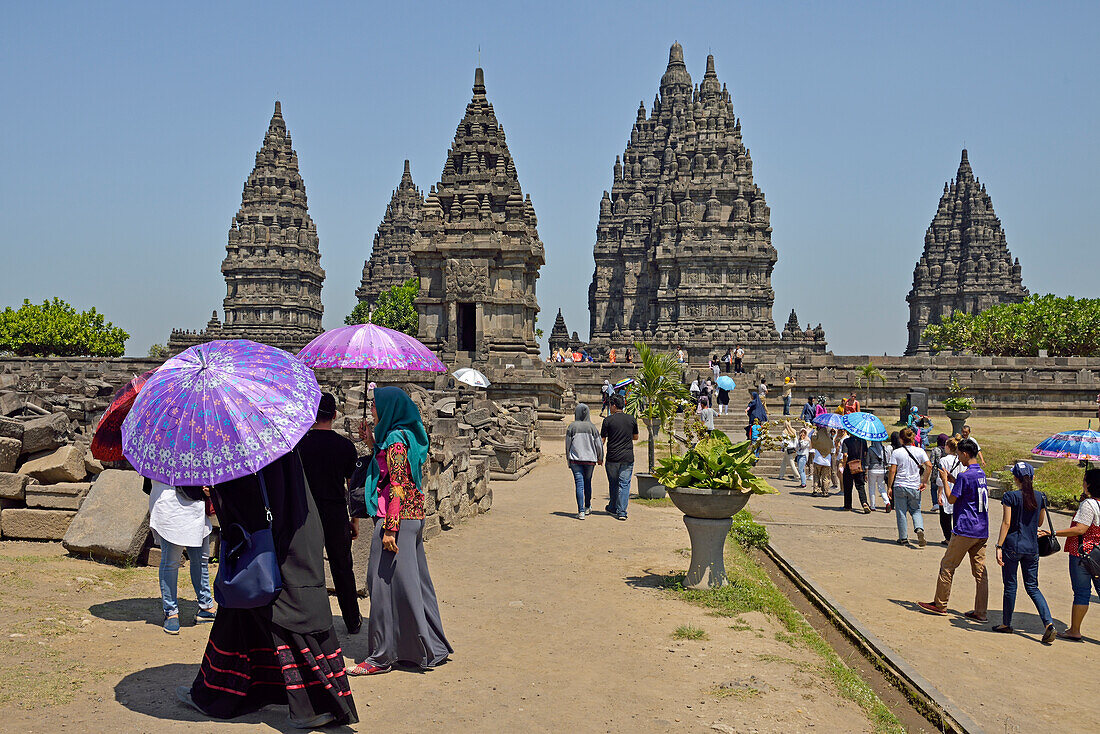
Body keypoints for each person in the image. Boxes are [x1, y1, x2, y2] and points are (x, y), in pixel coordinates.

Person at [181, 451, 358, 728]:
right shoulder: (270, 438)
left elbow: (238, 494)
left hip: (267, 544)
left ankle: (311, 704)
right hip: (284, 537)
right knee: (242, 613)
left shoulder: (238, 446)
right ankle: (219, 691)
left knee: (287, 614)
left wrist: (209, 487)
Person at [348, 387, 452, 675]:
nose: (371, 409)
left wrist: (390, 529)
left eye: (374, 405)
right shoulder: (406, 435)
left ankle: (381, 657)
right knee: (412, 583)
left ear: (389, 408)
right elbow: (395, 471)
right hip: (413, 518)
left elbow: (397, 485)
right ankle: (425, 647)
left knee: (380, 585)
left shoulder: (394, 440)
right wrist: (371, 441)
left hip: (395, 518)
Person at [297, 392, 362, 634]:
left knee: (305, 567)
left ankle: (307, 620)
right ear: (334, 415)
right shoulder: (345, 446)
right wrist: (354, 520)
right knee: (343, 566)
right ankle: (352, 619)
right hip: (335, 512)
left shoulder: (299, 445)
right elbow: (353, 488)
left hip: (306, 513)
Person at [917, 438, 989, 621]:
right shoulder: (980, 473)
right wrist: (954, 479)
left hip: (965, 528)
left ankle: (940, 604)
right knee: (980, 573)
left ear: (965, 454)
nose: (959, 458)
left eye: (959, 455)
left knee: (947, 565)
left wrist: (945, 482)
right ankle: (981, 611)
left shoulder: (966, 475)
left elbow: (951, 499)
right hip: (981, 528)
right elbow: (969, 491)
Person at [992, 462, 1055, 642]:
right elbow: (1040, 523)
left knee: (1011, 586)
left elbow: (1006, 523)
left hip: (1012, 546)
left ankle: (1006, 623)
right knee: (1033, 587)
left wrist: (998, 546)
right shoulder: (1040, 497)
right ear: (1033, 477)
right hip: (1032, 548)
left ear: (1015, 479)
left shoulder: (1010, 496)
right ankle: (1048, 623)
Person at [148, 479, 214, 635]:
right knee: (171, 562)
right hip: (171, 506)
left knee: (201, 560)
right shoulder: (158, 455)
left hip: (196, 505)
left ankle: (206, 606)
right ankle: (171, 612)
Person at [1042, 468, 1100, 641]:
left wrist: (1052, 532)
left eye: (1084, 479)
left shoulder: (1089, 505)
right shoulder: (1094, 503)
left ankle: (1075, 630)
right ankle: (1074, 630)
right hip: (1098, 552)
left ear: (1089, 483)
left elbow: (1080, 529)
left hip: (1082, 554)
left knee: (1081, 592)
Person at [887, 427, 931, 547]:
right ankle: (919, 528)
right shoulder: (920, 451)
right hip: (915, 485)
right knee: (916, 510)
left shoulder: (896, 452)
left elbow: (892, 471)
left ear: (901, 439)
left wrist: (889, 487)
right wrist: (924, 481)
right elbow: (929, 466)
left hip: (900, 485)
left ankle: (903, 538)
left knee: (901, 512)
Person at [600, 394, 638, 521]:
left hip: (612, 457)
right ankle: (622, 512)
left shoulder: (608, 421)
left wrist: (598, 455)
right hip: (627, 457)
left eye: (610, 405)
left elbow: (602, 440)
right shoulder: (631, 419)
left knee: (613, 483)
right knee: (625, 484)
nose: (609, 407)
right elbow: (636, 437)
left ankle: (613, 506)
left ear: (614, 405)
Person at [565, 403, 603, 520]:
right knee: (588, 482)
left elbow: (567, 445)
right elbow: (599, 445)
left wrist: (568, 459)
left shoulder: (572, 427)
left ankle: (580, 511)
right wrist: (600, 458)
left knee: (579, 484)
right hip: (590, 460)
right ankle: (587, 506)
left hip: (575, 460)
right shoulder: (592, 427)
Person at [936, 437, 963, 545]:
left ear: (948, 447)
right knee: (956, 515)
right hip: (957, 488)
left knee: (944, 517)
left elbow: (941, 479)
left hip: (947, 487)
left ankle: (948, 538)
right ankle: (956, 536)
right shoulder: (960, 460)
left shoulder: (944, 460)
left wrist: (939, 493)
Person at [841, 432, 871, 513]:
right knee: (860, 486)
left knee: (848, 486)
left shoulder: (846, 441)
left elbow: (845, 454)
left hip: (849, 465)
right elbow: (865, 454)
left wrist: (844, 464)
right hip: (859, 465)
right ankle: (864, 503)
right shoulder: (863, 441)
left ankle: (848, 505)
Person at [865, 439, 889, 511]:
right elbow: (886, 461)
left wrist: (865, 473)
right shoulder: (883, 448)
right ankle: (887, 502)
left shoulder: (870, 449)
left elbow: (867, 462)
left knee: (871, 488)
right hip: (881, 469)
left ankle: (872, 506)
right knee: (881, 487)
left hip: (872, 469)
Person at [927, 434, 946, 514]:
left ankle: (935, 503)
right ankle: (942, 503)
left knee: (934, 489)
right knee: (943, 488)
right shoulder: (948, 450)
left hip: (935, 472)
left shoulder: (936, 450)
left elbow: (931, 461)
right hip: (945, 473)